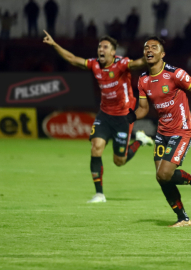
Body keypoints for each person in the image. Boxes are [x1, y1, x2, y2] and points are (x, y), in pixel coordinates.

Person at [43, 30, 153, 203]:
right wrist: (55, 44)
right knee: (96, 148)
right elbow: (72, 59)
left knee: (119, 161)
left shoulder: (122, 64)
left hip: (123, 117)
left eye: (105, 47)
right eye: (99, 46)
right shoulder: (94, 64)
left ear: (112, 52)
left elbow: (138, 63)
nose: (100, 49)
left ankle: (139, 140)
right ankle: (99, 194)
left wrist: (152, 56)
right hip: (104, 115)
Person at [130, 36, 191, 227]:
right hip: (162, 133)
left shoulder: (175, 74)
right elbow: (143, 108)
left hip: (181, 130)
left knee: (165, 174)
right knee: (161, 177)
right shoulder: (143, 80)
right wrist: (129, 117)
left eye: (154, 47)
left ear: (162, 54)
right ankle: (183, 218)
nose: (149, 50)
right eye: (146, 47)